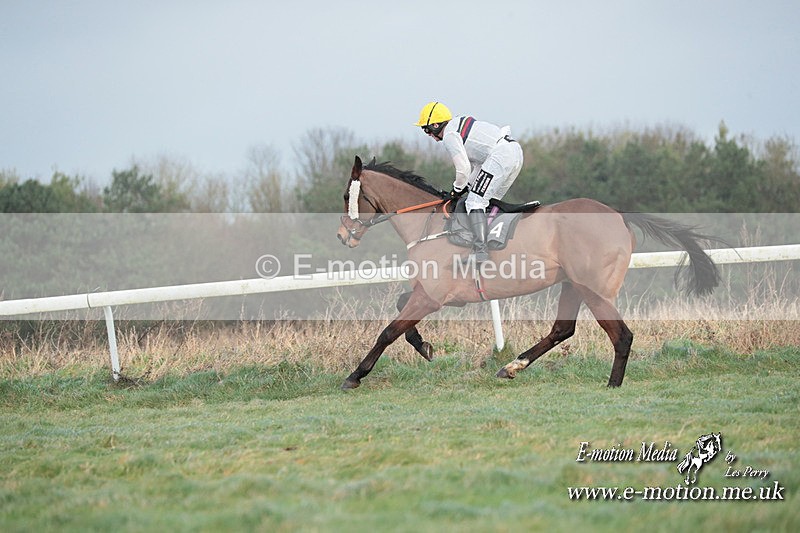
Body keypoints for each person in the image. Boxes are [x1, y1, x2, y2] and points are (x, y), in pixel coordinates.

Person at [415, 101, 523, 264]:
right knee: (486, 201)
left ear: (436, 125)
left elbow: (463, 169)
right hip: (513, 153)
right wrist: (465, 186)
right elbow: (478, 166)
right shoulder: (457, 124)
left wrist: (456, 190)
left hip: (501, 156)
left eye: (427, 129)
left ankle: (480, 251)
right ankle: (495, 242)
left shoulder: (450, 136)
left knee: (474, 202)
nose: (428, 134)